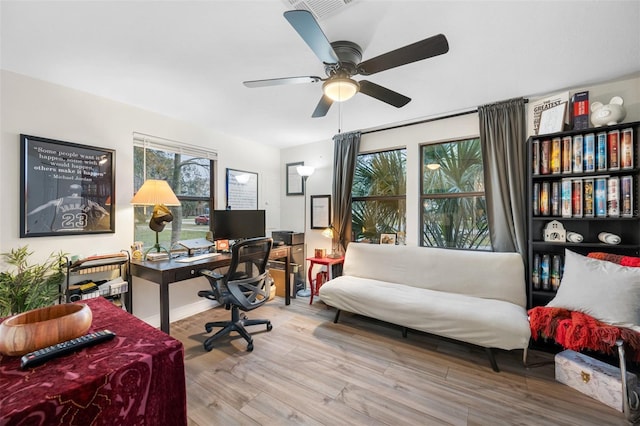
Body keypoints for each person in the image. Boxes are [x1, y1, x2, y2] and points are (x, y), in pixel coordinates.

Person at [27, 183, 110, 233]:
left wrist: (28, 214)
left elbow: (41, 208)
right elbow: (105, 214)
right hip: (82, 232)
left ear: (69, 191)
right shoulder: (89, 202)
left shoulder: (59, 201)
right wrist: (96, 224)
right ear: (80, 192)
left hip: (62, 231)